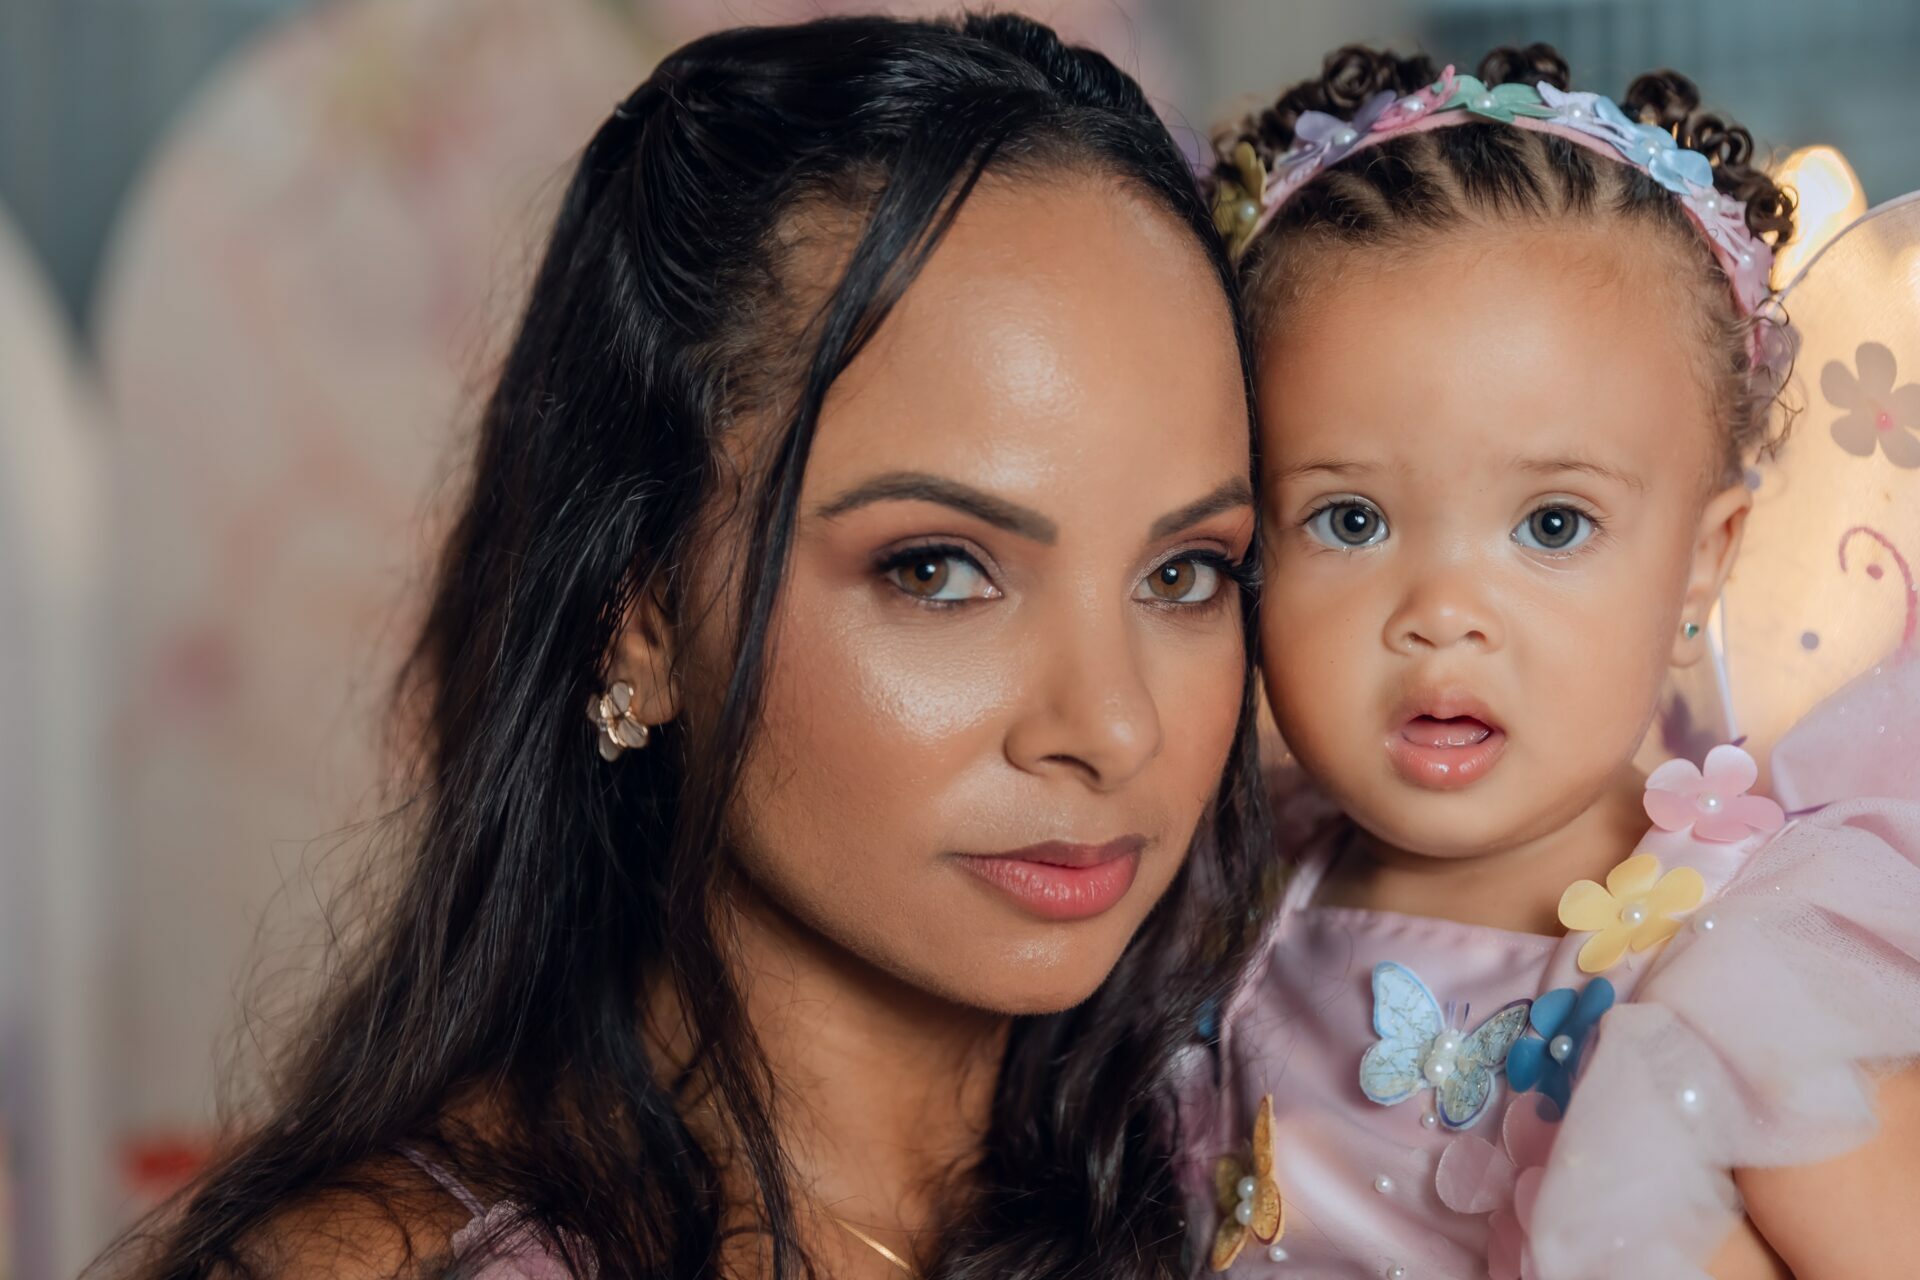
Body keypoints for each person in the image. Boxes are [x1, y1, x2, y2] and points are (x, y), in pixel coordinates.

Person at [108, 13, 1268, 1278]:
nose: (1112, 726)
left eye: (1184, 572)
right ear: (641, 616)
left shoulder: (1290, 1165)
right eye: (938, 569)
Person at [1182, 44, 1920, 1280]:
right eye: (1350, 519)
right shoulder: (1224, 898)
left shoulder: (1745, 968)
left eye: (1553, 524)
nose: (1444, 614)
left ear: (1700, 563)